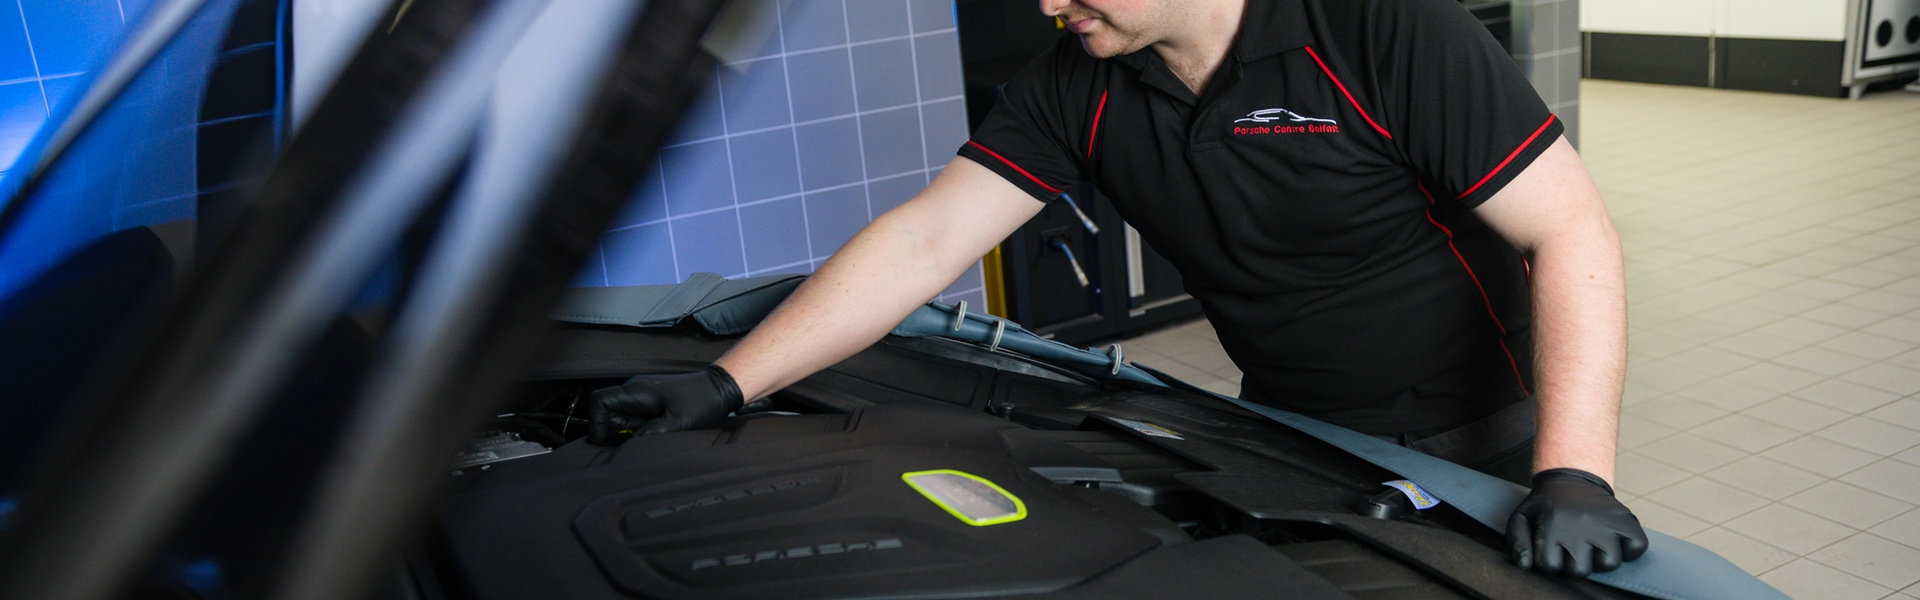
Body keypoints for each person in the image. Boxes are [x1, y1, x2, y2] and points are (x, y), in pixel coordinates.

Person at [590, 0, 1647, 579]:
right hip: (1290, 429)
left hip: (1488, 438)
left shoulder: (1383, 31)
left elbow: (1570, 235)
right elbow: (927, 239)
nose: (1050, 4)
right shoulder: (1076, 84)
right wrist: (731, 382)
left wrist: (1576, 474)